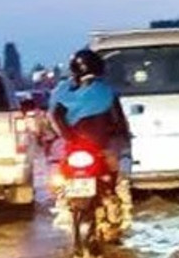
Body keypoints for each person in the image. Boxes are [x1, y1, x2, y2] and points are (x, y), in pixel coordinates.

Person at [48, 48, 134, 232]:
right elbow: (118, 121)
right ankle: (119, 204)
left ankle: (66, 205)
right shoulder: (106, 92)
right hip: (98, 146)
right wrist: (122, 134)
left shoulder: (64, 92)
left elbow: (56, 117)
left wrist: (68, 138)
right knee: (119, 177)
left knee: (60, 174)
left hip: (74, 146)